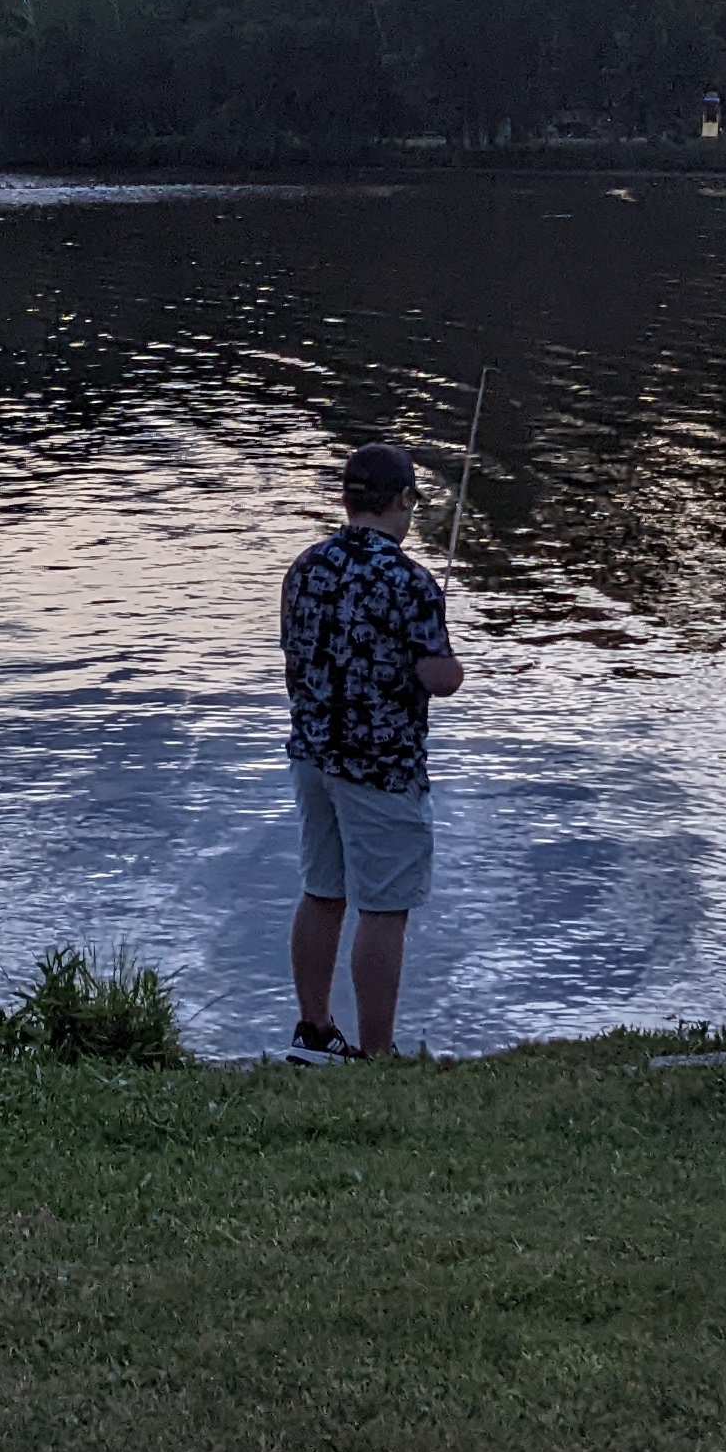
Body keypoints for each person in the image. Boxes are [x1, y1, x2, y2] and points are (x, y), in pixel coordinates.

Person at [281, 439, 464, 1057]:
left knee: (322, 892)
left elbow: (294, 656)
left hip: (312, 755)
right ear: (403, 500)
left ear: (347, 500)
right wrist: (451, 670)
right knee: (384, 909)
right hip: (381, 769)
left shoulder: (306, 567)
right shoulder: (411, 581)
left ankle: (314, 1032)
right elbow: (437, 676)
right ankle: (378, 1055)